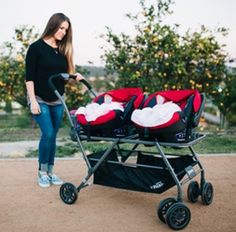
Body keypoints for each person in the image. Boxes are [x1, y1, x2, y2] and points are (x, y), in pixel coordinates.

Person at [25, 13, 84, 188]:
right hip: (39, 98)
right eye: (61, 28)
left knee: (53, 137)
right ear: (53, 25)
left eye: (66, 29)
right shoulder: (36, 48)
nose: (64, 32)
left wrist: (74, 76)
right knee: (48, 134)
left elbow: (61, 76)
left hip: (57, 99)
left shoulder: (61, 50)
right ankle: (42, 172)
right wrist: (33, 101)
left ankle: (50, 172)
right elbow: (29, 77)